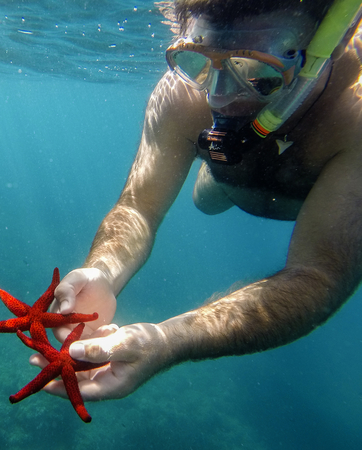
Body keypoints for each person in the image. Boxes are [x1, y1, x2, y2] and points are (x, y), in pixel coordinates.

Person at [31, 0, 362, 401]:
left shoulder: (354, 115)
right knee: (206, 198)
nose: (219, 97)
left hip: (323, 195)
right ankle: (220, 171)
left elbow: (318, 276)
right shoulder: (181, 94)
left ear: (323, 50)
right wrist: (103, 270)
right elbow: (139, 207)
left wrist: (170, 340)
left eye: (256, 69)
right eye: (196, 61)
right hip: (227, 186)